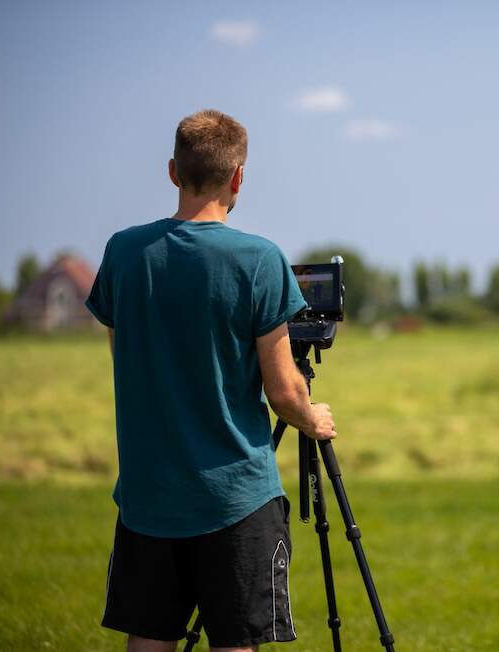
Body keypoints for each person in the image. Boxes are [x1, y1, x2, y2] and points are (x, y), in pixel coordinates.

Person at [86, 109, 336, 652]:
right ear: (238, 177)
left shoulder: (123, 253)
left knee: (148, 641)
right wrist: (313, 418)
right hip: (236, 500)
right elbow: (283, 392)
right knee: (235, 643)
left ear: (173, 171)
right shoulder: (260, 259)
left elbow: (122, 354)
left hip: (148, 497)